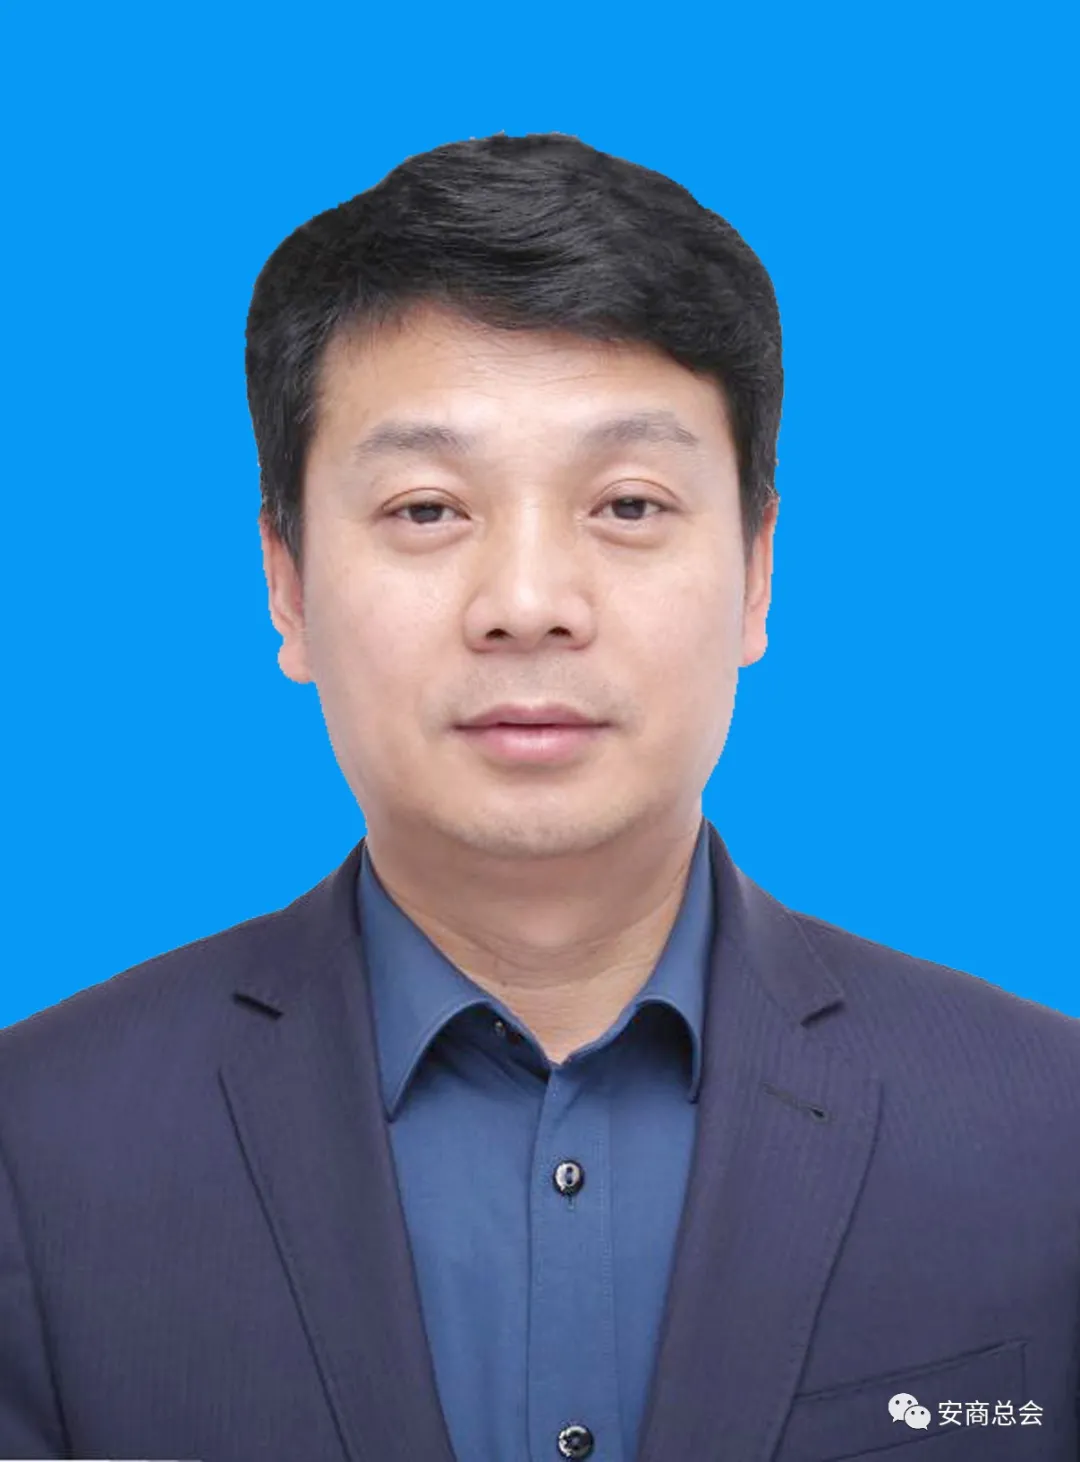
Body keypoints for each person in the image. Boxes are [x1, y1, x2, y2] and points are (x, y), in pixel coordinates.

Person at [0, 131, 1076, 1462]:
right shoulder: (39, 1148)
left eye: (626, 504)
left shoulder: (1047, 1129)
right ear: (287, 582)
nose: (526, 604)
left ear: (756, 572)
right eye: (426, 509)